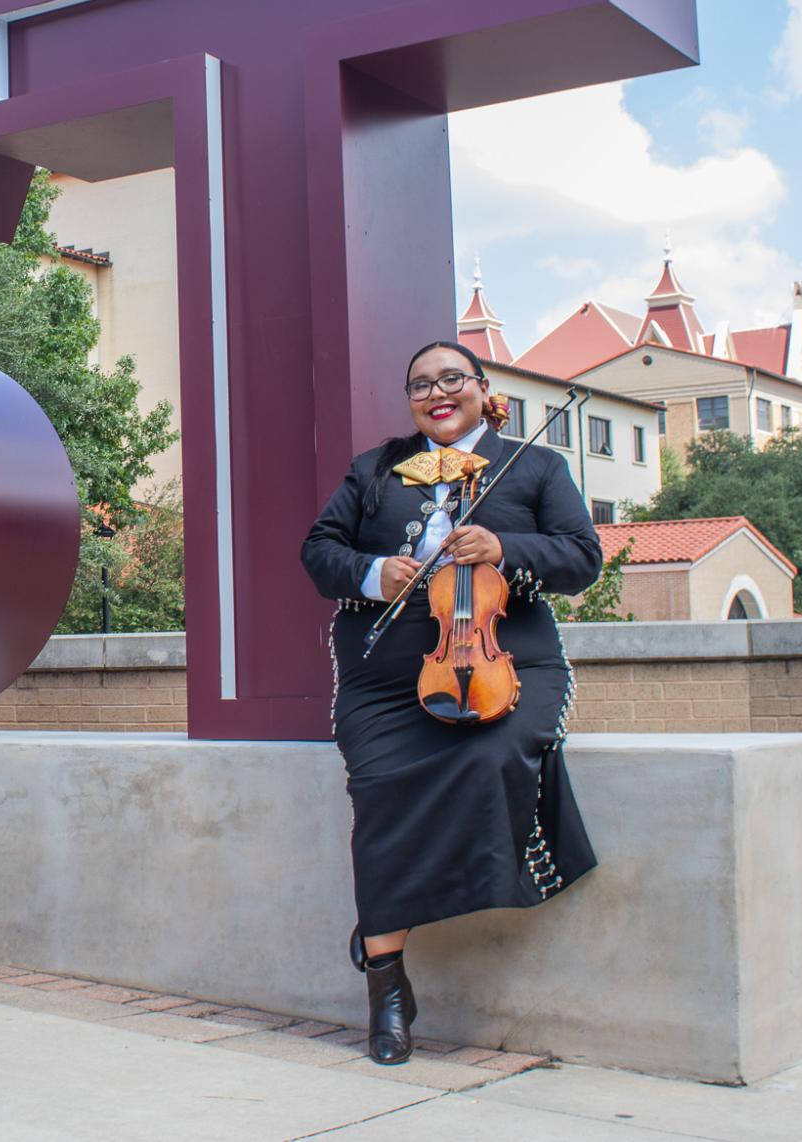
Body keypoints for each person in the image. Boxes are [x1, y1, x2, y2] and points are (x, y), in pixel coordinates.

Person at [299, 340, 601, 1065]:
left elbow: (580, 556)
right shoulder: (374, 468)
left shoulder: (533, 466)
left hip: (505, 663)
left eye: (451, 380)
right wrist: (375, 572)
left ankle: (386, 906)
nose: (437, 394)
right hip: (385, 678)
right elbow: (318, 551)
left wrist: (502, 547)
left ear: (480, 387)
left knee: (495, 752)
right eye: (419, 386)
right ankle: (387, 987)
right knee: (378, 787)